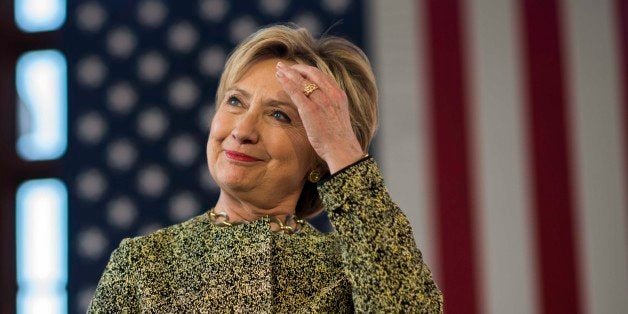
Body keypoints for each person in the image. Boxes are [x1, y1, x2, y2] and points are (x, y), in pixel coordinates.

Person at [88, 24, 443, 313]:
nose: (242, 131)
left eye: (279, 115)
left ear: (321, 152)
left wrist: (345, 153)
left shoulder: (348, 272)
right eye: (235, 101)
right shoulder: (144, 264)